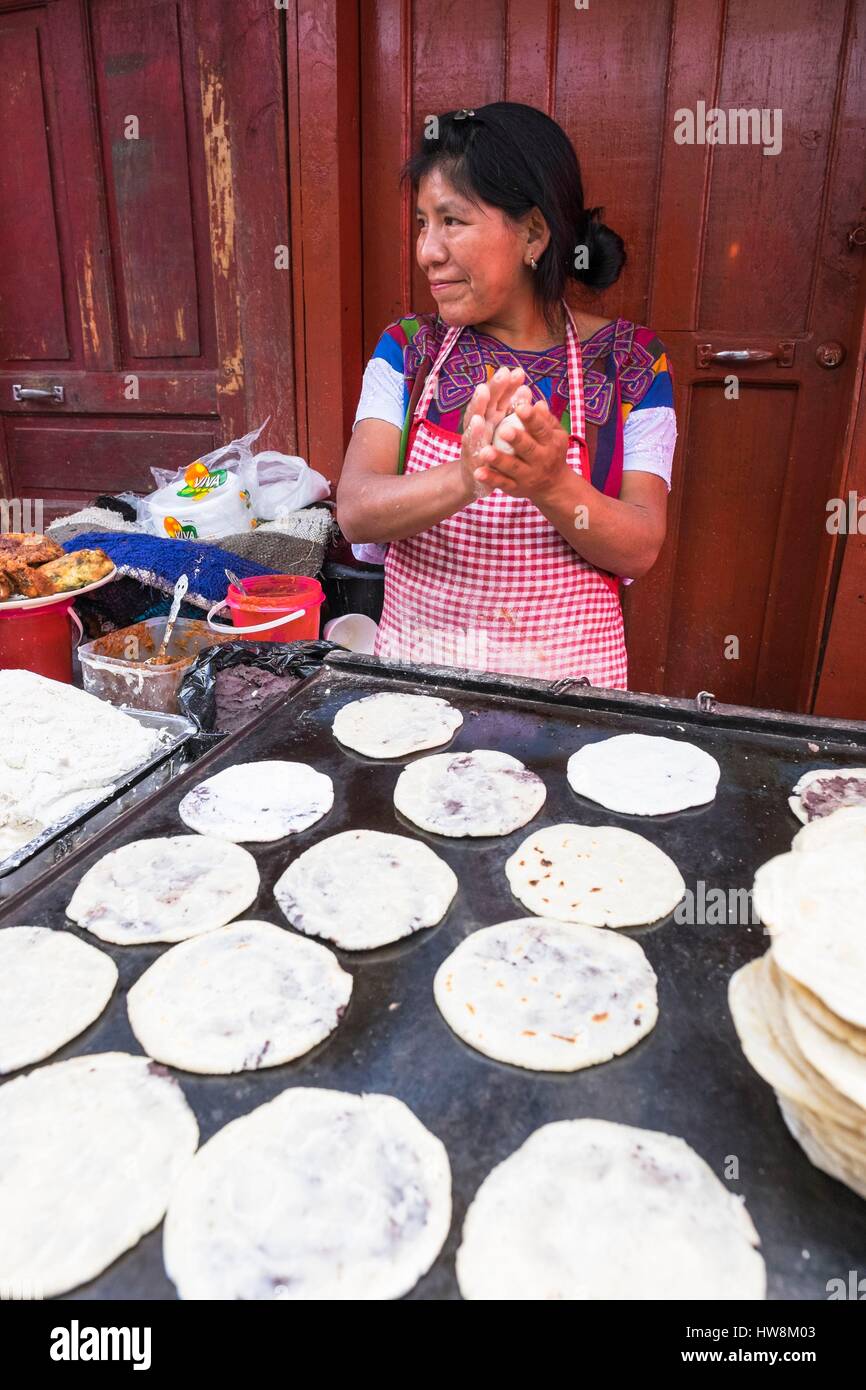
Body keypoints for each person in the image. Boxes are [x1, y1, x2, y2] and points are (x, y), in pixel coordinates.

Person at [337, 102, 676, 686]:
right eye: (423, 222)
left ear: (534, 233)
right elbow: (358, 512)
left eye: (452, 221)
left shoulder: (633, 363)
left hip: (563, 700)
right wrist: (466, 477)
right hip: (416, 691)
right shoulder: (407, 349)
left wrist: (550, 483)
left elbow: (639, 547)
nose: (428, 251)